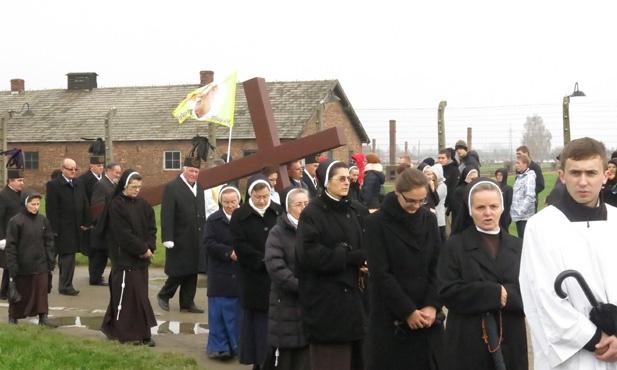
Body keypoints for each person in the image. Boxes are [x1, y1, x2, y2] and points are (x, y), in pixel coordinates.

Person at [519, 137, 617, 369]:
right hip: (574, 356)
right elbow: (542, 296)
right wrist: (595, 339)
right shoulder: (541, 226)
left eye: (591, 173)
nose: (583, 182)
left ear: (605, 176)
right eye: (575, 173)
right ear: (562, 176)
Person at [438, 178, 527, 370]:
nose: (488, 213)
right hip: (468, 339)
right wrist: (494, 294)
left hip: (511, 336)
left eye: (494, 206)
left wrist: (507, 296)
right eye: (480, 208)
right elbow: (447, 291)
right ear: (470, 210)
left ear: (502, 208)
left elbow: (533, 291)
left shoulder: (518, 246)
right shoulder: (455, 246)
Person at [365, 168, 445, 369]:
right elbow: (380, 273)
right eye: (411, 201)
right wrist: (407, 311)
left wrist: (432, 304)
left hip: (427, 319)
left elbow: (438, 264)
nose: (416, 206)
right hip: (392, 319)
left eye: (422, 201)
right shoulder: (376, 223)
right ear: (397, 192)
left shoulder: (429, 219)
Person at [296, 159, 369, 370]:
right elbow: (308, 255)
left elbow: (368, 244)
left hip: (357, 299)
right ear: (327, 182)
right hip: (327, 303)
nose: (347, 182)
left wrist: (366, 260)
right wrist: (346, 257)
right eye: (341, 179)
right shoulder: (312, 213)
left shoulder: (358, 210)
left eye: (349, 178)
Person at [231, 173, 283, 369]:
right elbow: (240, 245)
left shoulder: (277, 211)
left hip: (277, 275)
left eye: (266, 197)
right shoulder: (239, 215)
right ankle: (259, 360)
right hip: (254, 276)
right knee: (258, 324)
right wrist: (263, 260)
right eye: (258, 197)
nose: (262, 201)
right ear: (250, 195)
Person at [99, 170, 157, 346]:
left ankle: (136, 331)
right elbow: (122, 234)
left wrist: (149, 246)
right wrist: (142, 249)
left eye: (139, 187)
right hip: (124, 258)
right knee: (127, 298)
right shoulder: (116, 205)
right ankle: (128, 333)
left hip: (141, 260)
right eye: (133, 187)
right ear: (125, 186)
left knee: (140, 296)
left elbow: (152, 229)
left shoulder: (144, 204)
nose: (137, 190)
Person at [263, 187, 311, 370]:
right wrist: (301, 286)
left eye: (306, 204)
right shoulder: (278, 232)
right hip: (286, 302)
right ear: (288, 207)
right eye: (298, 204)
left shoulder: (314, 230)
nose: (303, 208)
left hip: (311, 301)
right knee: (287, 356)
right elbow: (275, 267)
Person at [157, 154, 206, 314]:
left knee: (193, 270)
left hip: (196, 236)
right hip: (179, 237)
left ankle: (187, 302)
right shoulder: (172, 187)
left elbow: (201, 212)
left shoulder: (199, 187)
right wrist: (168, 238)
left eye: (196, 171)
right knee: (179, 271)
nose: (194, 174)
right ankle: (164, 295)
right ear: (184, 169)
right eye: (191, 171)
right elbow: (166, 214)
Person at [204, 186, 242, 361]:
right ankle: (220, 347)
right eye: (226, 202)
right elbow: (208, 243)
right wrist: (229, 253)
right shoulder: (213, 220)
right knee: (218, 313)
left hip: (240, 272)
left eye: (233, 202)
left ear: (239, 200)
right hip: (220, 272)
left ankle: (236, 346)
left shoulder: (245, 218)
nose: (230, 206)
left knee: (236, 313)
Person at [5, 193, 56, 327]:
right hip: (23, 264)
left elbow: (48, 241)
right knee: (21, 291)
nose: (35, 207)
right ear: (25, 204)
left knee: (42, 290)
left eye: (38, 204)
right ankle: (13, 316)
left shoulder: (43, 220)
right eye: (32, 204)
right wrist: (13, 266)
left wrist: (50, 260)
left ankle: (43, 317)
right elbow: (11, 245)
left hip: (41, 263)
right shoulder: (16, 221)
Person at [46, 158, 91, 296]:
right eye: (70, 169)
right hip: (62, 228)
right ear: (63, 170)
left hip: (76, 226)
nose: (73, 171)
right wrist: (53, 229)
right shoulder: (54, 185)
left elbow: (84, 203)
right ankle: (60, 285)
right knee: (64, 257)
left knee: (69, 257)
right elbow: (51, 208)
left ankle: (65, 284)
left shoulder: (79, 183)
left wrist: (87, 221)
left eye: (75, 169)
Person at [88, 162, 122, 286]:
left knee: (103, 253)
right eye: (116, 172)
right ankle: (95, 278)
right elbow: (97, 206)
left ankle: (96, 277)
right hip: (102, 225)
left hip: (108, 225)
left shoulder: (111, 184)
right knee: (100, 253)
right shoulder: (102, 185)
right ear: (108, 171)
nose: (118, 175)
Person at [0, 163, 27, 300]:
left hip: (20, 235)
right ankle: (5, 291)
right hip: (7, 237)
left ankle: (8, 290)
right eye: (19, 181)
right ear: (10, 181)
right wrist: (1, 238)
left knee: (13, 264)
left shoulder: (21, 195)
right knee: (8, 265)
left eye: (22, 180)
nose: (21, 183)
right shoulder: (3, 196)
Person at [511, 154, 536, 238]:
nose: (516, 165)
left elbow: (530, 196)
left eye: (518, 163)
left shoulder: (529, 177)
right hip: (518, 217)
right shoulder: (519, 177)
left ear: (525, 164)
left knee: (524, 242)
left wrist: (520, 211)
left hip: (524, 218)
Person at [449, 165, 479, 235]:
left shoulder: (476, 189)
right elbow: (459, 211)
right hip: (462, 224)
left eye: (476, 179)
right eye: (472, 179)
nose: (474, 181)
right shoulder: (459, 191)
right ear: (465, 178)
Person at [438, 148, 460, 237]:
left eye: (443, 158)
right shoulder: (438, 170)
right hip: (438, 204)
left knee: (448, 231)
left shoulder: (454, 170)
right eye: (439, 158)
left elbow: (453, 189)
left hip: (448, 205)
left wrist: (450, 206)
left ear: (449, 158)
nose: (440, 160)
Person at [516, 145, 545, 211]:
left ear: (526, 154)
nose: (518, 156)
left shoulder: (535, 167)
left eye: (519, 154)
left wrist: (529, 193)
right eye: (517, 154)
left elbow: (541, 185)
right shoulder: (518, 167)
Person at [495, 168, 513, 232]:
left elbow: (509, 204)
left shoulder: (508, 188)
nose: (498, 177)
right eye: (497, 175)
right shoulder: (494, 187)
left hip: (505, 215)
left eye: (500, 175)